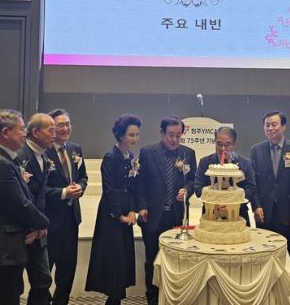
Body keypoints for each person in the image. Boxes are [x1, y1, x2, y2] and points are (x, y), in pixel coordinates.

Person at [0, 109, 49, 305]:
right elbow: (20, 205)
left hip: (7, 250)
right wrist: (44, 223)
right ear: (6, 132)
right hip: (3, 249)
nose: (26, 133)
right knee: (7, 299)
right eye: (22, 129)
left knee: (8, 296)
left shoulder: (3, 159)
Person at [137, 116, 197, 305]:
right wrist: (142, 207)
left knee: (176, 260)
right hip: (153, 216)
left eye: (178, 135)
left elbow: (193, 180)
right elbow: (139, 184)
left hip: (177, 216)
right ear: (161, 133)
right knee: (152, 259)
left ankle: (173, 297)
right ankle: (153, 298)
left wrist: (187, 190)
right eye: (170, 135)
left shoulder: (188, 153)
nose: (174, 140)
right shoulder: (147, 153)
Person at [86, 114, 145, 305]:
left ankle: (115, 300)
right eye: (131, 135)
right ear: (120, 135)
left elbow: (134, 187)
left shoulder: (132, 157)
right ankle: (114, 300)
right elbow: (109, 190)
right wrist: (119, 215)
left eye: (137, 134)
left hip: (127, 212)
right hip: (111, 214)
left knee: (123, 259)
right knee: (114, 259)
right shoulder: (111, 157)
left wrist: (133, 211)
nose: (135, 139)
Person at [44, 109, 88, 305]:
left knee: (67, 270)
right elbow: (38, 189)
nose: (65, 128)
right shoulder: (43, 152)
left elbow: (83, 176)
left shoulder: (75, 149)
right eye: (59, 125)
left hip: (71, 219)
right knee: (44, 271)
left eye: (67, 124)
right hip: (49, 221)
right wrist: (63, 193)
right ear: (51, 129)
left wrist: (80, 187)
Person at [249, 111, 290, 261]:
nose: (270, 128)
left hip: (287, 212)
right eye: (267, 125)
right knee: (262, 253)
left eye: (274, 124)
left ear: (283, 126)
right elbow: (252, 182)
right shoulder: (256, 150)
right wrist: (256, 206)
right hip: (263, 211)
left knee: (286, 252)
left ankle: (286, 278)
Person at [16, 113, 56, 305]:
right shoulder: (20, 157)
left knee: (43, 281)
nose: (55, 134)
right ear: (36, 132)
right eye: (51, 130)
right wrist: (36, 225)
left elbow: (41, 197)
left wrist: (41, 227)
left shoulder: (45, 156)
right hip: (22, 233)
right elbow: (20, 198)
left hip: (39, 232)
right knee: (11, 287)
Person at [194, 127, 257, 226]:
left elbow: (251, 188)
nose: (223, 148)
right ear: (215, 142)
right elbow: (198, 188)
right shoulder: (205, 162)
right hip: (211, 215)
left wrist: (232, 203)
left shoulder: (245, 163)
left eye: (227, 144)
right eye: (219, 144)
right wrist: (215, 204)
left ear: (234, 144)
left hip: (238, 215)